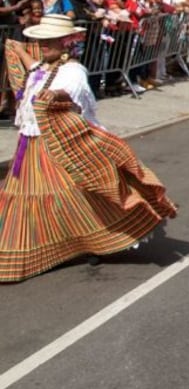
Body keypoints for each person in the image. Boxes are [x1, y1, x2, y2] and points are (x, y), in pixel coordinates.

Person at [0, 14, 177, 281]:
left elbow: (71, 98)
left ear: (65, 42)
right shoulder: (42, 69)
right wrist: (18, 48)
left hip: (56, 145)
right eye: (40, 40)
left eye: (50, 40)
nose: (43, 45)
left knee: (74, 196)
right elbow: (33, 64)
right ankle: (37, 248)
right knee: (31, 199)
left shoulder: (73, 71)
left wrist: (55, 97)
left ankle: (93, 242)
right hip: (29, 146)